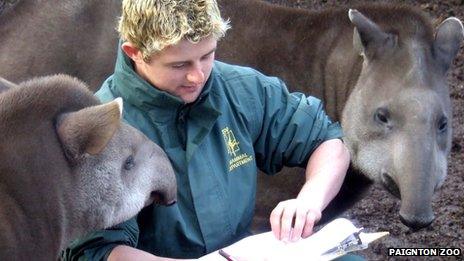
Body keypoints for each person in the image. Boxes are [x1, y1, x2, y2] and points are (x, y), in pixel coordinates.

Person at [62, 0, 351, 260]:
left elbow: (327, 141)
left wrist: (309, 201)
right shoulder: (103, 129)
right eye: (179, 64)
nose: (197, 75)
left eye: (207, 55)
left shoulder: (240, 89)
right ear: (135, 52)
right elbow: (96, 251)